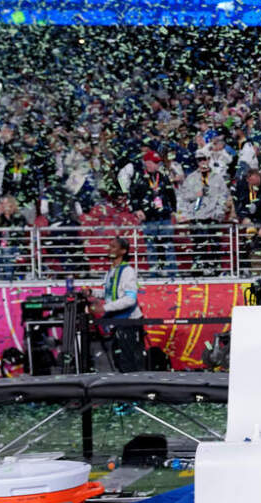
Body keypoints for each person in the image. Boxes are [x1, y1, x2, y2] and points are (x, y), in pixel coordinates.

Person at [87, 237, 145, 373]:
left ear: (123, 251)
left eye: (113, 247)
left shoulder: (128, 271)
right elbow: (109, 294)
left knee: (129, 361)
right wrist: (92, 292)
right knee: (118, 358)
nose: (109, 249)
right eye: (109, 246)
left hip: (129, 321)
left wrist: (104, 308)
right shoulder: (111, 271)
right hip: (117, 322)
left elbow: (130, 299)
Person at [128, 149, 178, 277]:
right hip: (149, 219)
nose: (155, 165)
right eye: (152, 162)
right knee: (152, 247)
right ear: (146, 162)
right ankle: (154, 274)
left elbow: (171, 195)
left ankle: (172, 273)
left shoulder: (162, 176)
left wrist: (173, 210)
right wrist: (137, 209)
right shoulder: (139, 178)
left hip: (164, 216)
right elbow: (132, 197)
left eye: (157, 163)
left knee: (168, 246)